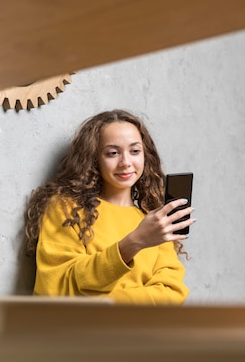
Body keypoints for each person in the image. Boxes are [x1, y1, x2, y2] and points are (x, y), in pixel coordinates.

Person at [24, 109, 193, 305]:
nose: (126, 162)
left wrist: (101, 301)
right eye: (113, 153)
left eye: (135, 151)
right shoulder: (67, 210)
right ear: (94, 158)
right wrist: (134, 242)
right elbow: (57, 289)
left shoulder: (154, 222)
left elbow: (172, 294)